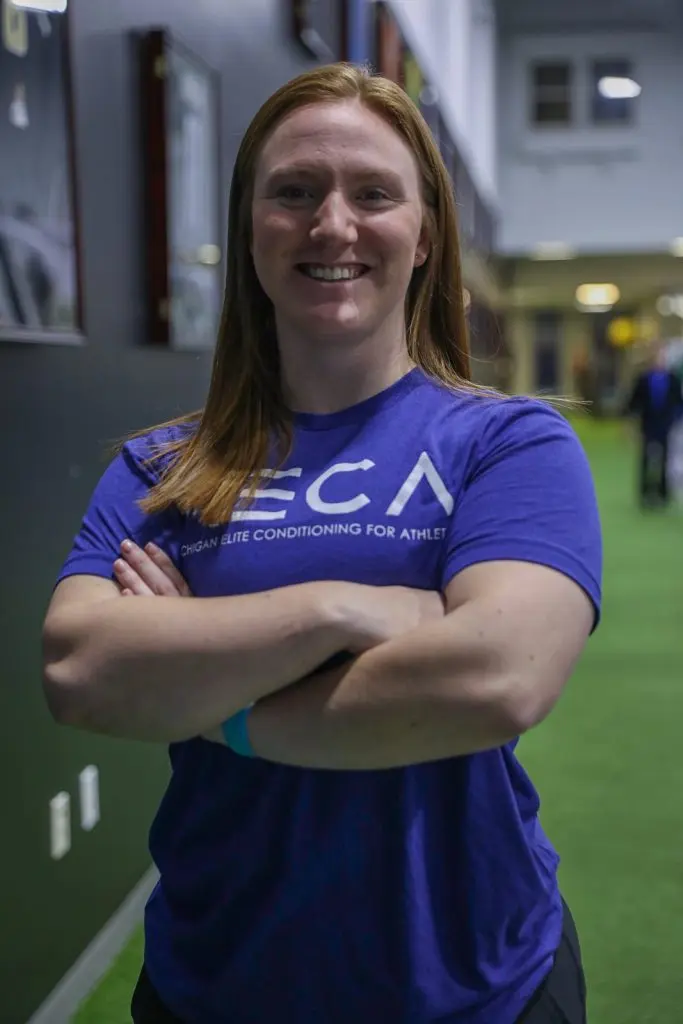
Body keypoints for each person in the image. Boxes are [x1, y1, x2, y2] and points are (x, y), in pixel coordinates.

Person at [42, 63, 602, 1024]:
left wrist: (216, 701)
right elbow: (81, 669)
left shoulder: (507, 442)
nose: (331, 225)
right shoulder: (159, 468)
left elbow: (495, 679)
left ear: (425, 236)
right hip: (216, 983)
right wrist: (345, 610)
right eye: (293, 192)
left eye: (372, 194)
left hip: (477, 985)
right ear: (251, 227)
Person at [624, 344, 682, 507]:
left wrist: (676, 418)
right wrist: (629, 424)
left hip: (665, 425)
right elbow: (633, 403)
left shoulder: (672, 378)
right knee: (646, 459)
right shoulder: (643, 379)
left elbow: (678, 402)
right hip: (648, 424)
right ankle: (644, 493)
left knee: (664, 460)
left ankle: (663, 493)